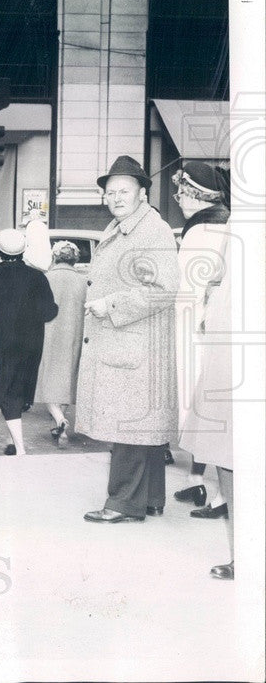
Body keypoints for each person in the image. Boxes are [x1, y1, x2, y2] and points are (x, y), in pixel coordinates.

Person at [78, 156, 179, 523]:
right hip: (132, 341)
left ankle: (121, 504)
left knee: (129, 423)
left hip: (134, 340)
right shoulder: (128, 226)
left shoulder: (150, 231)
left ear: (142, 193)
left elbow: (165, 290)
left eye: (124, 191)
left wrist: (112, 304)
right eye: (110, 192)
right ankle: (150, 498)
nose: (116, 197)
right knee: (142, 423)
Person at [172, 161, 231, 520]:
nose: (178, 197)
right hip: (212, 330)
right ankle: (200, 483)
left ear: (196, 195)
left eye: (182, 191)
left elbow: (185, 290)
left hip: (194, 330)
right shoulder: (221, 225)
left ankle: (218, 496)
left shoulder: (199, 232)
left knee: (199, 410)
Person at [179, 212, 234, 578]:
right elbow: (217, 279)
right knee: (229, 452)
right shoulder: (238, 226)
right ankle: (243, 555)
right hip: (231, 348)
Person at [0, 229, 58, 455]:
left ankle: (19, 448)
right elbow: (50, 312)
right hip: (33, 342)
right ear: (24, 250)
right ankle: (13, 441)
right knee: (21, 391)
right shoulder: (38, 277)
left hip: (4, 342)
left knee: (6, 393)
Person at [33, 240, 88, 446]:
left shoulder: (45, 278)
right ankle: (60, 427)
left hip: (48, 334)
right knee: (67, 380)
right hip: (74, 335)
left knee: (47, 380)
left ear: (54, 257)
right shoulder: (83, 281)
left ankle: (59, 419)